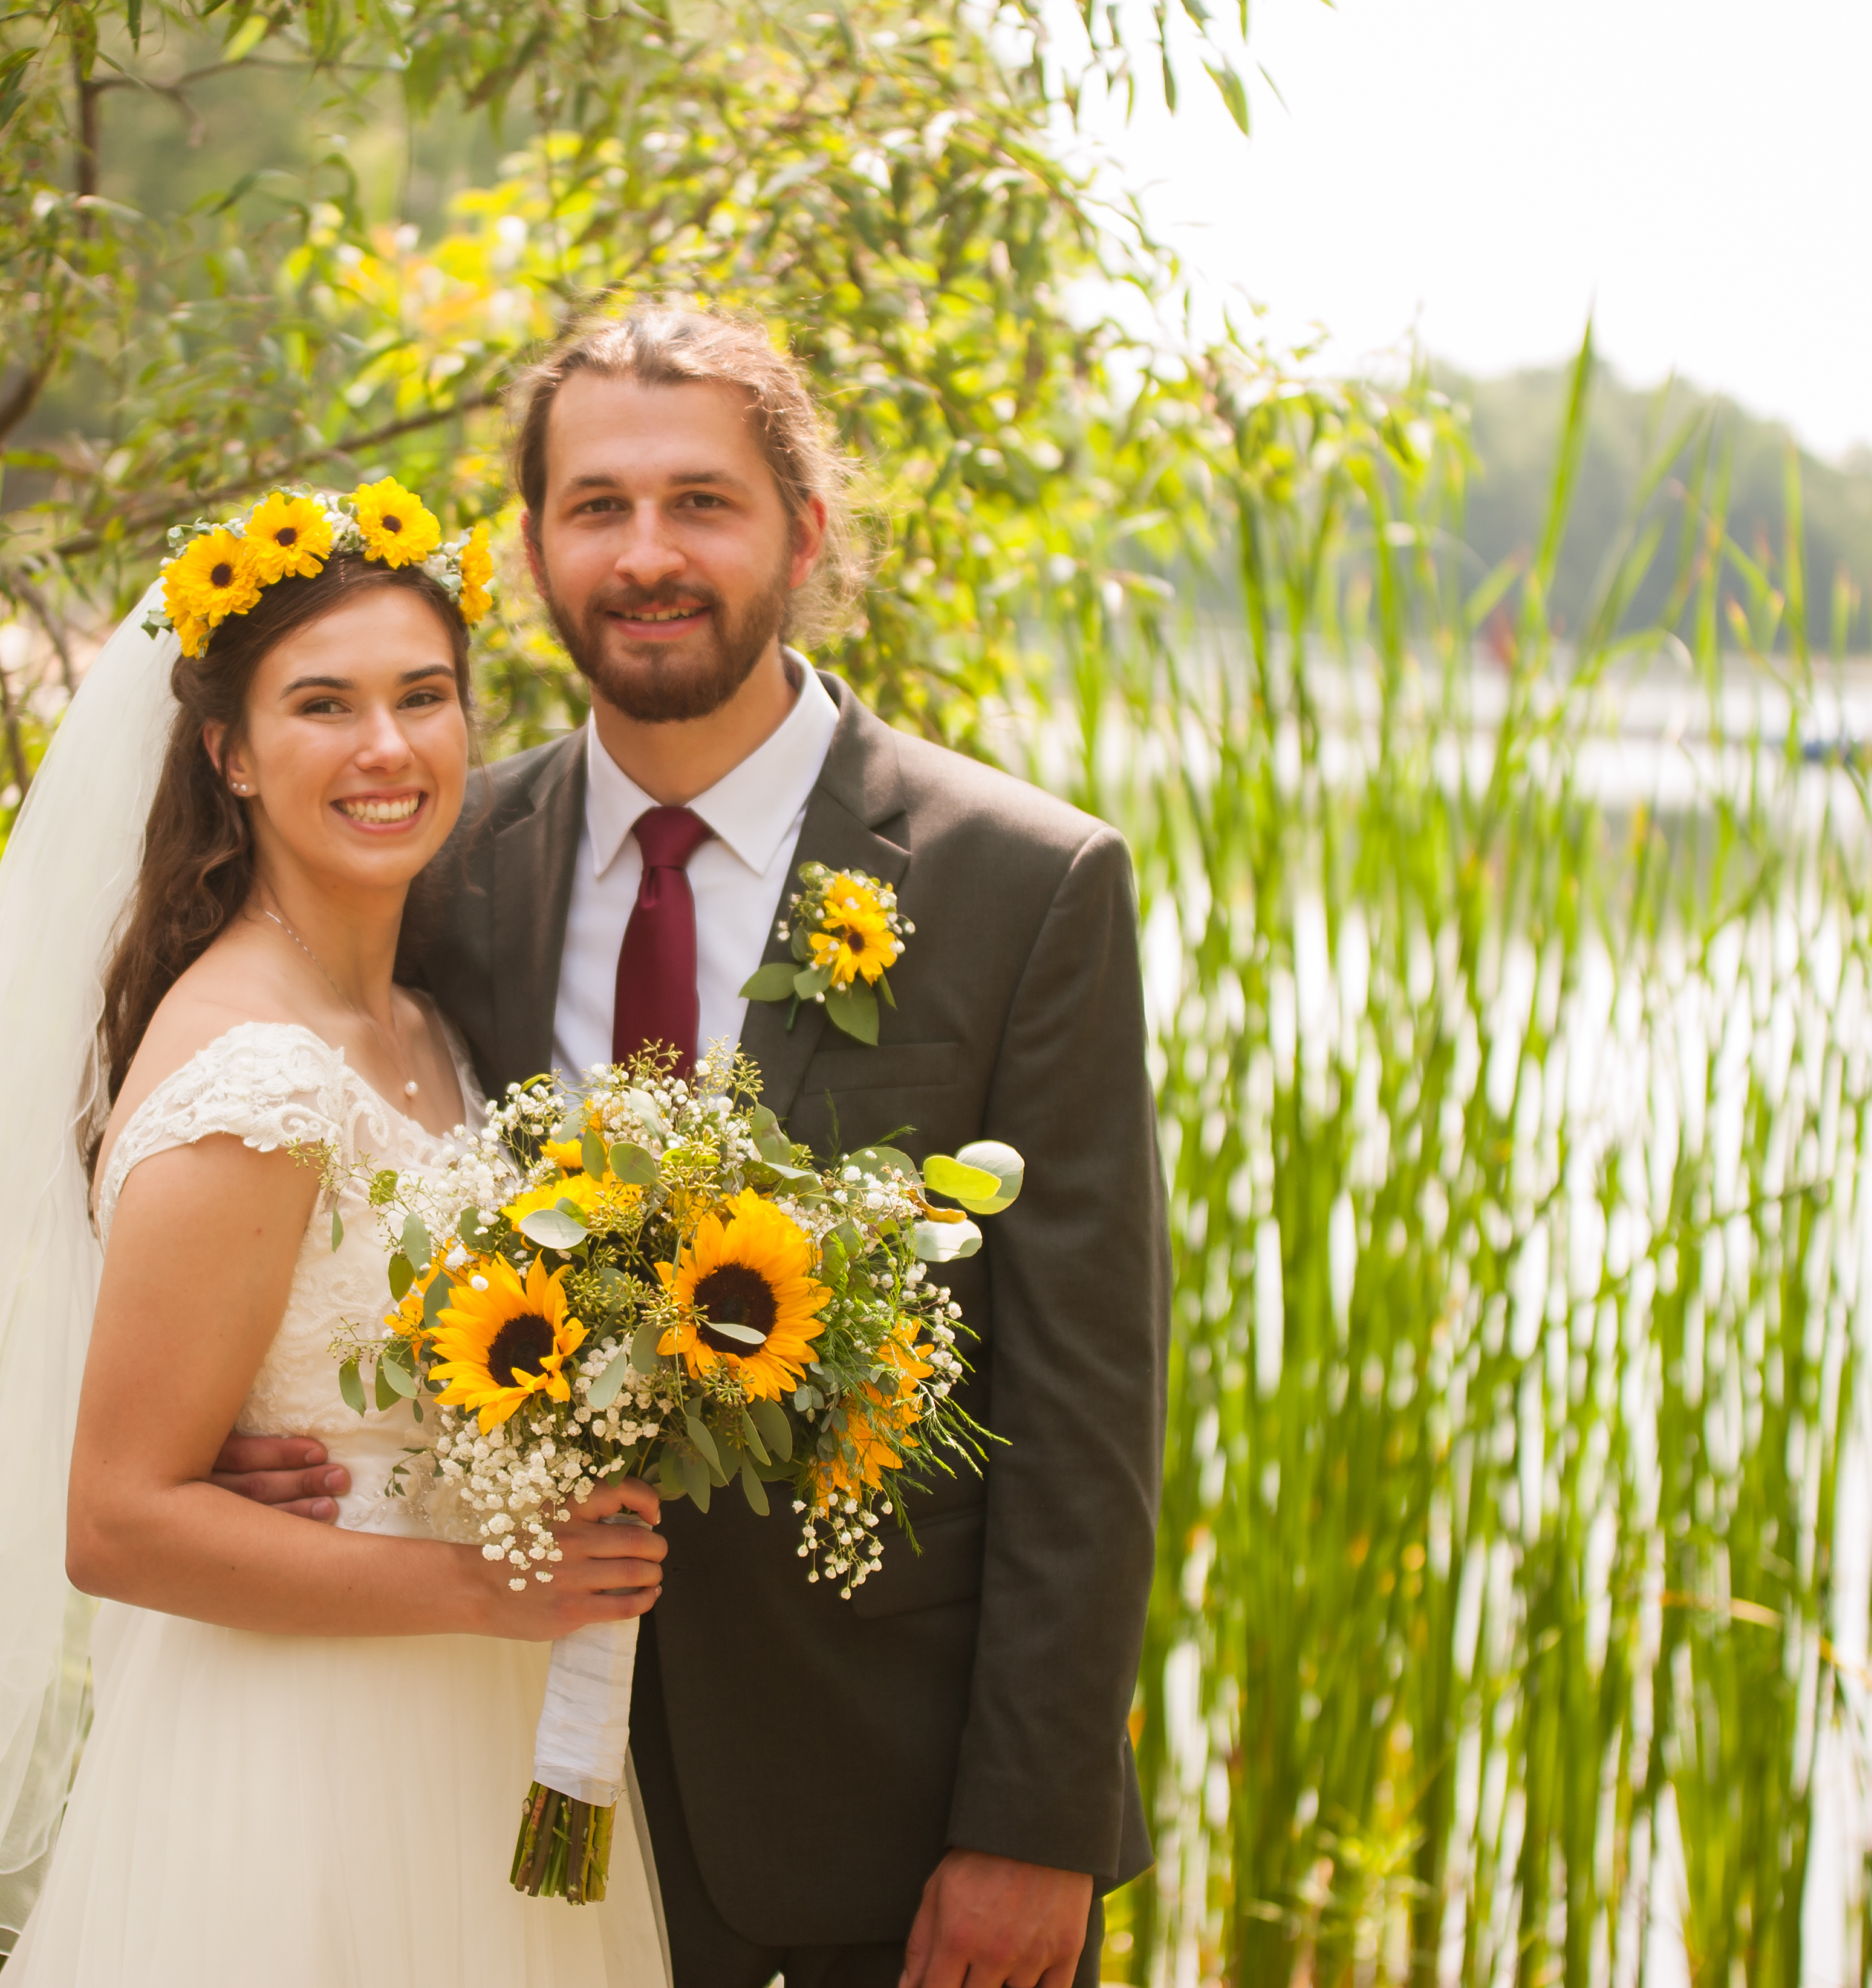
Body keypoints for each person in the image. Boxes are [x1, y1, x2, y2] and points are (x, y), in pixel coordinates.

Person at [216, 302, 1171, 1988]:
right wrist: (247, 1432)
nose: (645, 554)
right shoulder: (440, 866)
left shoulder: (1023, 886)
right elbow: (273, 1169)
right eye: (597, 507)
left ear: (803, 531)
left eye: (699, 503)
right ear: (530, 550)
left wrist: (1037, 1822)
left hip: (872, 1810)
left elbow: (1088, 1403)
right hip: (475, 1789)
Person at [0, 487, 671, 1981]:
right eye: (324, 704)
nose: (387, 747)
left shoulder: (418, 1021)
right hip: (300, 1764)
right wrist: (491, 1586)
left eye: (424, 696)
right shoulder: (250, 1072)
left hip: (476, 1728)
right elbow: (115, 1521)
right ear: (228, 753)